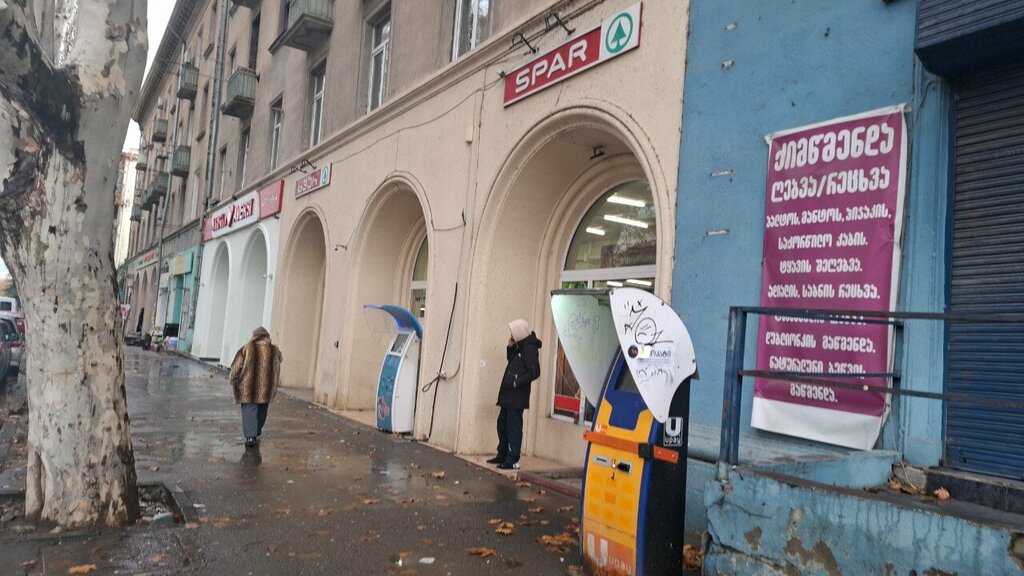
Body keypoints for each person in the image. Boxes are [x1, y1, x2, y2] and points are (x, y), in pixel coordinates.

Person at [488, 319, 542, 470]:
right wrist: (509, 347)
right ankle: (503, 454)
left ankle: (513, 459)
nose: (511, 335)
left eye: (513, 332)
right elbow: (512, 362)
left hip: (517, 396)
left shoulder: (529, 348)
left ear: (519, 332)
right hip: (508, 395)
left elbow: (535, 372)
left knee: (513, 427)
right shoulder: (519, 346)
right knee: (502, 424)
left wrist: (516, 382)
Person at [229, 326, 283, 448]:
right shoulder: (274, 350)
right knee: (262, 410)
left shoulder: (247, 348)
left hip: (247, 387)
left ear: (254, 336)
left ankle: (250, 436)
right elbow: (280, 359)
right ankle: (256, 430)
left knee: (249, 410)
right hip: (266, 388)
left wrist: (233, 380)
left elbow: (236, 367)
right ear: (267, 338)